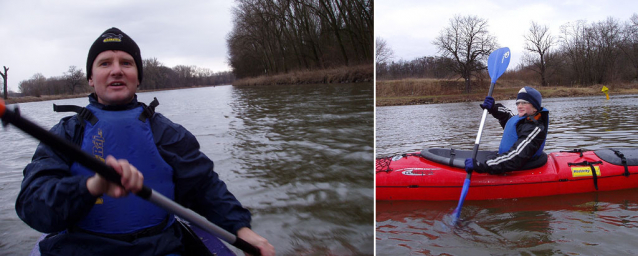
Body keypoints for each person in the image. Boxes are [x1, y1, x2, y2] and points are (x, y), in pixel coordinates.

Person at [15, 27, 275, 256]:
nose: (117, 69)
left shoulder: (167, 132)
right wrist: (90, 186)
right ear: (91, 79)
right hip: (81, 247)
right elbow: (32, 206)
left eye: (126, 63)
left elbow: (205, 188)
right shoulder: (65, 134)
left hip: (159, 248)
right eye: (105, 63)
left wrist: (242, 229)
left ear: (137, 77)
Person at [464, 86, 549, 175]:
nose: (519, 106)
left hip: (519, 164)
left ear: (535, 107)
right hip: (510, 160)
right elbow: (508, 117)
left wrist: (484, 166)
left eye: (524, 103)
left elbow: (516, 156)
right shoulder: (524, 120)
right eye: (518, 103)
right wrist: (493, 108)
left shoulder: (535, 129)